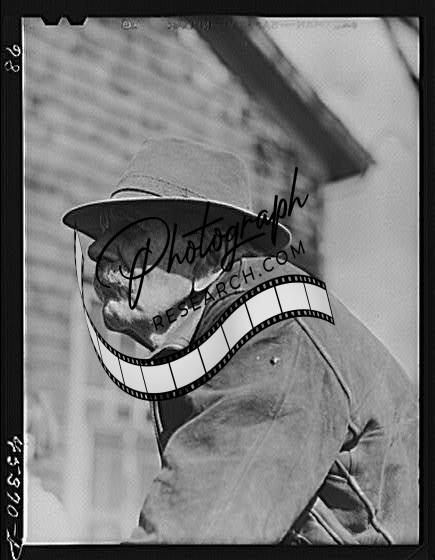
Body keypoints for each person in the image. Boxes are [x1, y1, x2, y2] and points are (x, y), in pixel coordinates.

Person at [62, 137, 418, 544]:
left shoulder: (272, 332)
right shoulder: (209, 343)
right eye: (105, 232)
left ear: (208, 262)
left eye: (131, 231)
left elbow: (192, 536)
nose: (96, 251)